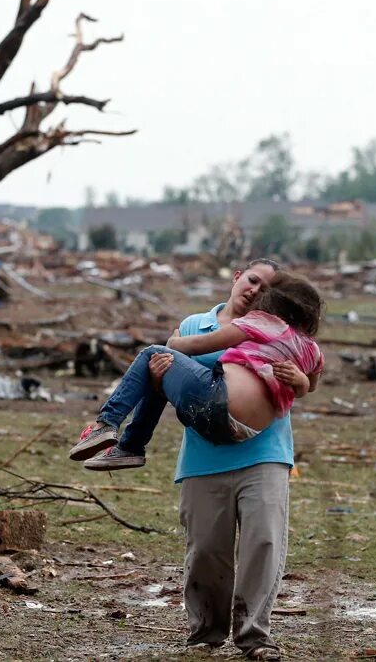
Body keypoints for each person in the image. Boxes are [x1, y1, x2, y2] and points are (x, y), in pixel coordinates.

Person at [77, 258, 308, 660]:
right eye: (252, 280)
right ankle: (206, 633)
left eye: (266, 288)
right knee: (205, 550)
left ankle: (255, 636)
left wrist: (300, 379)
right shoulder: (192, 326)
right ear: (237, 277)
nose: (255, 290)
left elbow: (306, 378)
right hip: (204, 459)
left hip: (265, 455)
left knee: (264, 543)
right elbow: (162, 375)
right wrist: (157, 371)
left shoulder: (280, 330)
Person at [68, 271, 323, 464]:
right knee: (162, 367)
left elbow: (200, 345)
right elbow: (310, 386)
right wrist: (300, 380)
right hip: (244, 431)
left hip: (219, 404)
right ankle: (129, 448)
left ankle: (107, 426)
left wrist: (173, 341)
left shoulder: (262, 321)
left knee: (153, 355)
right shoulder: (312, 349)